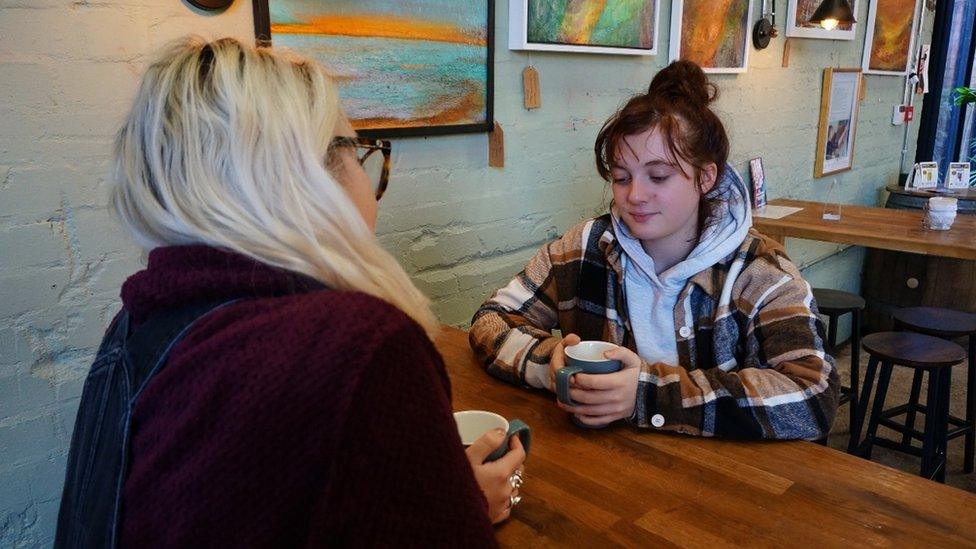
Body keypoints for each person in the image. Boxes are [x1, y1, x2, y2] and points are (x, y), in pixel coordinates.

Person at [55, 36, 524, 548]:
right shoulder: (360, 348)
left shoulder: (131, 330)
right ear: (309, 176)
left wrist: (422, 479)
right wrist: (460, 501)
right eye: (360, 152)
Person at [469, 61, 839, 440]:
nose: (635, 196)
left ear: (706, 177)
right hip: (605, 470)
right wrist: (549, 364)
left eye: (659, 176)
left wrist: (647, 395)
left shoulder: (759, 271)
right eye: (621, 177)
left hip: (720, 483)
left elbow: (814, 394)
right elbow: (492, 320)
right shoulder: (584, 249)